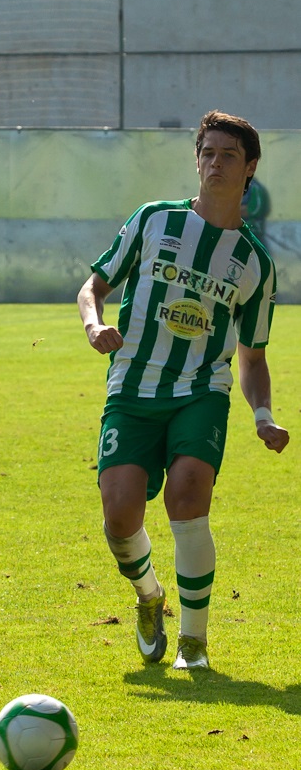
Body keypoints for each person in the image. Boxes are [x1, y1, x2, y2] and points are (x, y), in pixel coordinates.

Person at [77, 110, 289, 671]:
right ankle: (150, 598)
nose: (216, 164)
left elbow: (252, 355)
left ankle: (193, 644)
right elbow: (92, 287)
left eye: (229, 156)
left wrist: (263, 414)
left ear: (250, 170)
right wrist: (95, 325)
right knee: (120, 514)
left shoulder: (255, 265)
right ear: (197, 159)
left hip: (202, 390)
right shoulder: (153, 220)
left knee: (188, 496)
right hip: (133, 385)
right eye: (208, 153)